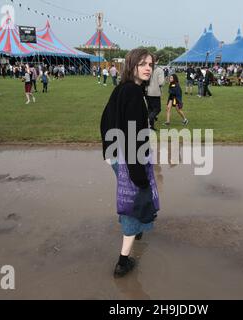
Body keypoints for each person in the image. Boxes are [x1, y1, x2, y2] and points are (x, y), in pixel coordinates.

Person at [100, 48, 160, 278]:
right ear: (131, 65)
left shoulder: (123, 89)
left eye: (150, 64)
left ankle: (138, 228)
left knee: (130, 199)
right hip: (128, 158)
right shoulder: (133, 93)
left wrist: (108, 152)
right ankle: (123, 262)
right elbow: (133, 138)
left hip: (117, 155)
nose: (147, 68)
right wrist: (139, 177)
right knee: (134, 205)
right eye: (142, 64)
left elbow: (105, 121)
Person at [146, 56, 165, 131]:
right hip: (155, 92)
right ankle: (147, 121)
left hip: (147, 91)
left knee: (150, 109)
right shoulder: (159, 70)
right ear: (158, 61)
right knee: (157, 109)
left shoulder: (147, 68)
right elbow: (161, 82)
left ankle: (151, 126)